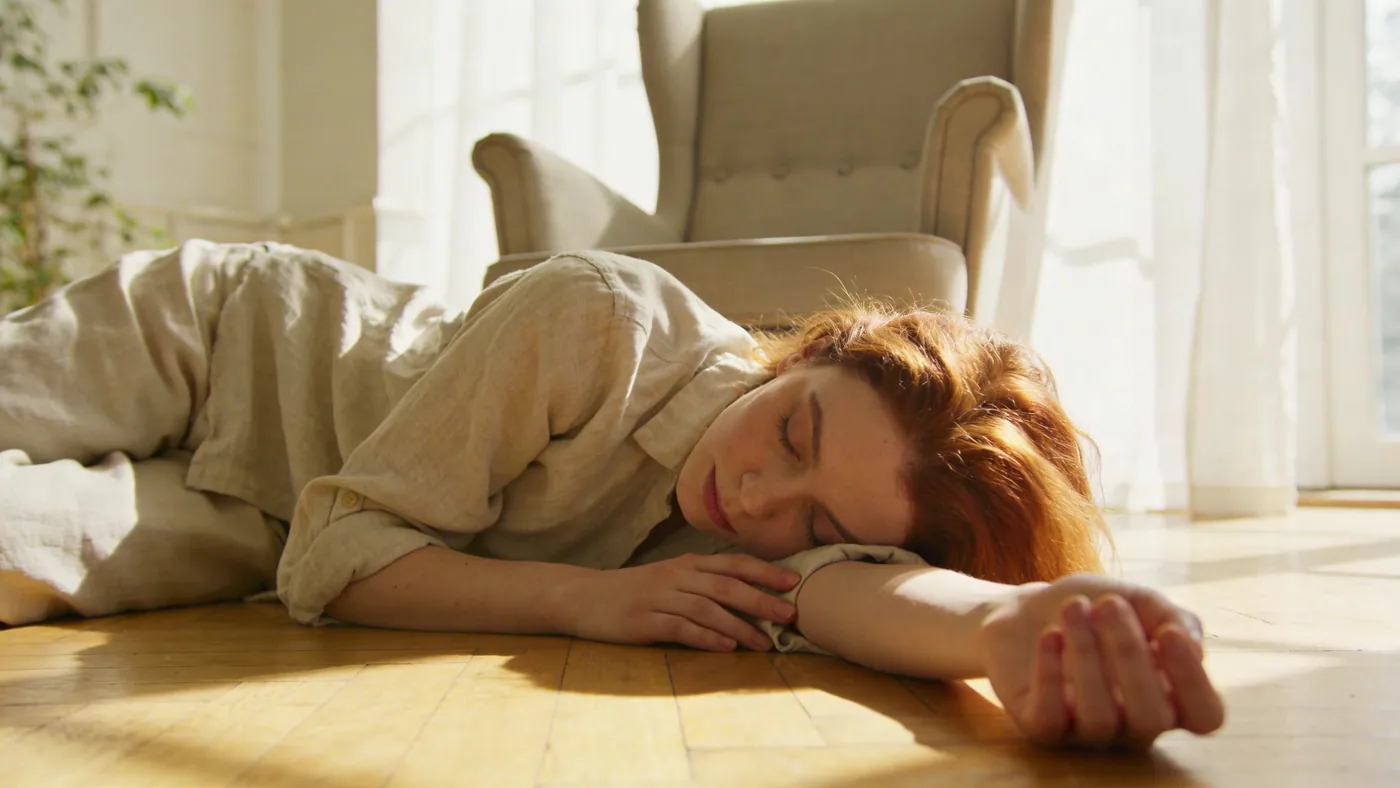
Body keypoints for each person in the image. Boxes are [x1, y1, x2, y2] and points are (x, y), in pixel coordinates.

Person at [0, 240, 1225, 747]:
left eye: (815, 522)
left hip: (278, 514)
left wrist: (1017, 625)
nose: (756, 498)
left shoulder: (779, 531)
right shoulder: (602, 315)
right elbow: (342, 553)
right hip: (224, 341)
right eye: (790, 430)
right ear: (799, 356)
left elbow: (874, 595)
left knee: (20, 568)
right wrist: (582, 600)